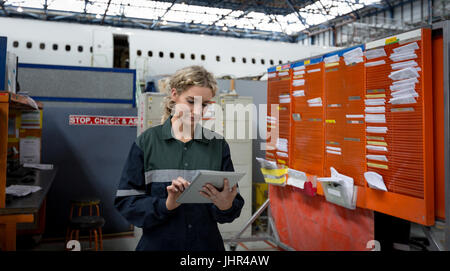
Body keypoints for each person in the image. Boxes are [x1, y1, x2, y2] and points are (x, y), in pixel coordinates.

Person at [114, 65, 244, 251]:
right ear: (174, 94)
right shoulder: (146, 142)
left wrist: (226, 206)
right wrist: (166, 205)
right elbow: (126, 202)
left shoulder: (218, 145)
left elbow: (232, 203)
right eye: (191, 101)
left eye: (204, 104)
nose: (198, 111)